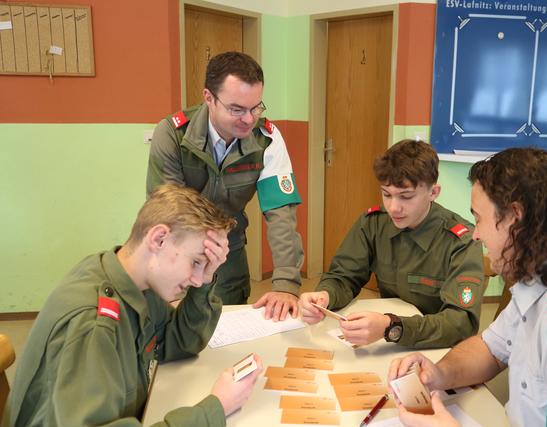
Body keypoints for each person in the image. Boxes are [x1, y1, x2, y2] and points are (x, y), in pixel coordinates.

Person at [388, 148, 547, 427]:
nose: (476, 234)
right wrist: (439, 373)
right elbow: (491, 349)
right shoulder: (541, 277)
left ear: (515, 217)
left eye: (479, 218)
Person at [2, 184, 263, 427]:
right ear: (159, 239)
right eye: (196, 261)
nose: (196, 279)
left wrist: (207, 278)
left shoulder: (134, 279)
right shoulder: (93, 326)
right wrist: (213, 409)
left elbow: (179, 343)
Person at [147, 51, 304, 321]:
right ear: (209, 98)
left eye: (256, 107)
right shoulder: (173, 134)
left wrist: (286, 284)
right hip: (177, 251)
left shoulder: (267, 139)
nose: (249, 119)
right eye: (237, 109)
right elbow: (168, 213)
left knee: (229, 330)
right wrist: (188, 272)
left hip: (228, 253)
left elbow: (280, 213)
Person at [299, 140, 483, 348]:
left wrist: (393, 327)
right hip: (389, 342)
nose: (394, 208)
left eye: (406, 197)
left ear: (433, 192)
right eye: (386, 194)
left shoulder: (462, 241)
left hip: (437, 348)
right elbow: (343, 276)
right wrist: (325, 295)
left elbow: (461, 323)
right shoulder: (373, 224)